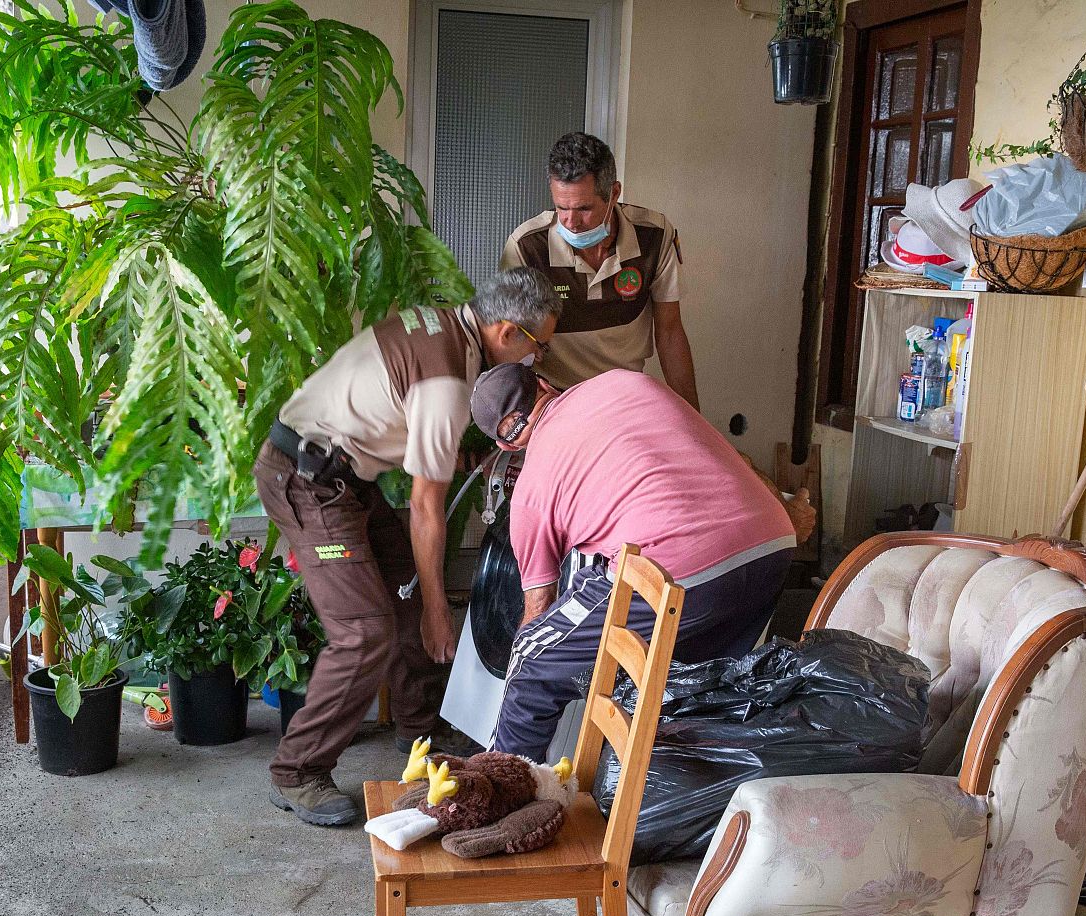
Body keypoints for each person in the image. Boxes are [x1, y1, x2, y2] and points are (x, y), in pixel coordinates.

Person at [257, 268, 562, 826]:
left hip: (347, 478)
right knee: (366, 628)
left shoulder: (443, 328)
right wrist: (439, 611)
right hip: (307, 480)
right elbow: (426, 506)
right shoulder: (447, 379)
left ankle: (418, 728)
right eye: (537, 346)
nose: (535, 361)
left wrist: (469, 461)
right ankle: (296, 770)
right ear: (506, 330)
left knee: (407, 588)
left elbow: (400, 425)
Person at [469, 363, 816, 762]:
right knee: (694, 689)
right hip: (770, 547)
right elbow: (731, 455)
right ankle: (686, 806)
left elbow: (538, 609)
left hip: (678, 571)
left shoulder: (530, 492)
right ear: (545, 385)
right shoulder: (626, 380)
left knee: (532, 660)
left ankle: (502, 789)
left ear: (507, 446)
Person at [500, 132, 699, 409]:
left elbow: (669, 333)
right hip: (554, 400)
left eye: (584, 208)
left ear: (614, 194)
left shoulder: (654, 236)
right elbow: (508, 344)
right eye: (561, 208)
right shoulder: (527, 247)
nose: (571, 222)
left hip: (625, 397)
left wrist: (692, 421)